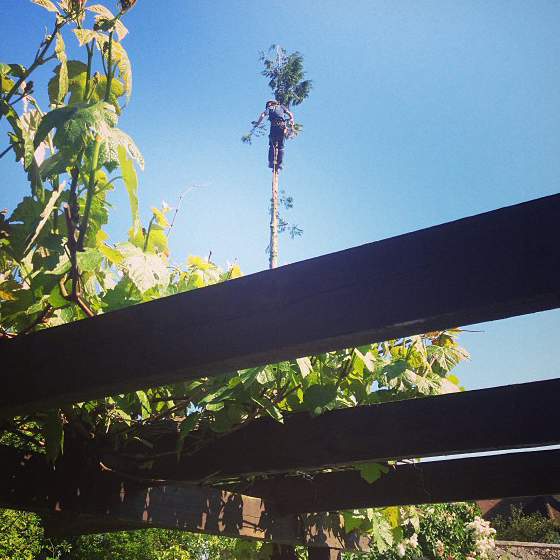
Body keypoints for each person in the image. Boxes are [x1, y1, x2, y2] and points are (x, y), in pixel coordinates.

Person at [253, 100, 294, 170]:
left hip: (274, 127)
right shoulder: (281, 107)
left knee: (272, 146)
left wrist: (257, 124)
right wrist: (291, 119)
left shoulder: (270, 108)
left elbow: (262, 115)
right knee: (281, 147)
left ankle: (271, 162)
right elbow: (290, 114)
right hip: (281, 127)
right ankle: (279, 163)